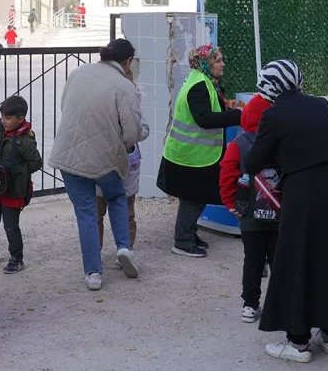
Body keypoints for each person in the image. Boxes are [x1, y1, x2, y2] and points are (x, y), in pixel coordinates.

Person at [245, 60, 328, 363]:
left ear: (269, 87)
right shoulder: (320, 105)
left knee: (299, 261)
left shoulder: (273, 115)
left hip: (303, 194)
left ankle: (299, 342)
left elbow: (252, 162)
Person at [49, 38, 142, 291]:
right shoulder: (125, 86)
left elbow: (65, 108)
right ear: (127, 61)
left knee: (86, 214)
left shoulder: (78, 73)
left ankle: (93, 274)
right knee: (117, 197)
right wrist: (141, 132)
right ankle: (124, 247)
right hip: (105, 159)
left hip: (68, 155)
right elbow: (131, 134)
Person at [157, 44, 242, 258]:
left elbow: (211, 110)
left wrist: (230, 111)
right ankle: (182, 241)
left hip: (196, 153)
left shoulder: (203, 80)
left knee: (197, 196)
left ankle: (188, 233)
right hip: (192, 154)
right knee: (193, 197)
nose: (223, 64)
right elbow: (203, 118)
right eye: (218, 60)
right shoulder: (199, 85)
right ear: (206, 62)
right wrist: (239, 116)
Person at [219, 93, 278, 323]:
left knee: (252, 260)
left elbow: (227, 173)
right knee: (278, 259)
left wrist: (230, 202)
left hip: (248, 213)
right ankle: (278, 303)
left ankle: (250, 305)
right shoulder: (280, 141)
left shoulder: (238, 143)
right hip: (277, 213)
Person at [0, 95, 43, 273]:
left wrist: (18, 174)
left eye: (8, 118)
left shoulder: (25, 140)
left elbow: (36, 163)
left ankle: (17, 258)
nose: (4, 121)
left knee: (10, 226)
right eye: (2, 117)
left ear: (21, 119)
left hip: (13, 191)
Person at [96, 66, 149, 254]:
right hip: (105, 163)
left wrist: (132, 133)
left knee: (126, 212)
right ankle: (96, 249)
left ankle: (126, 249)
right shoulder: (101, 105)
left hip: (127, 163)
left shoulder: (135, 103)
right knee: (98, 211)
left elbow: (143, 128)